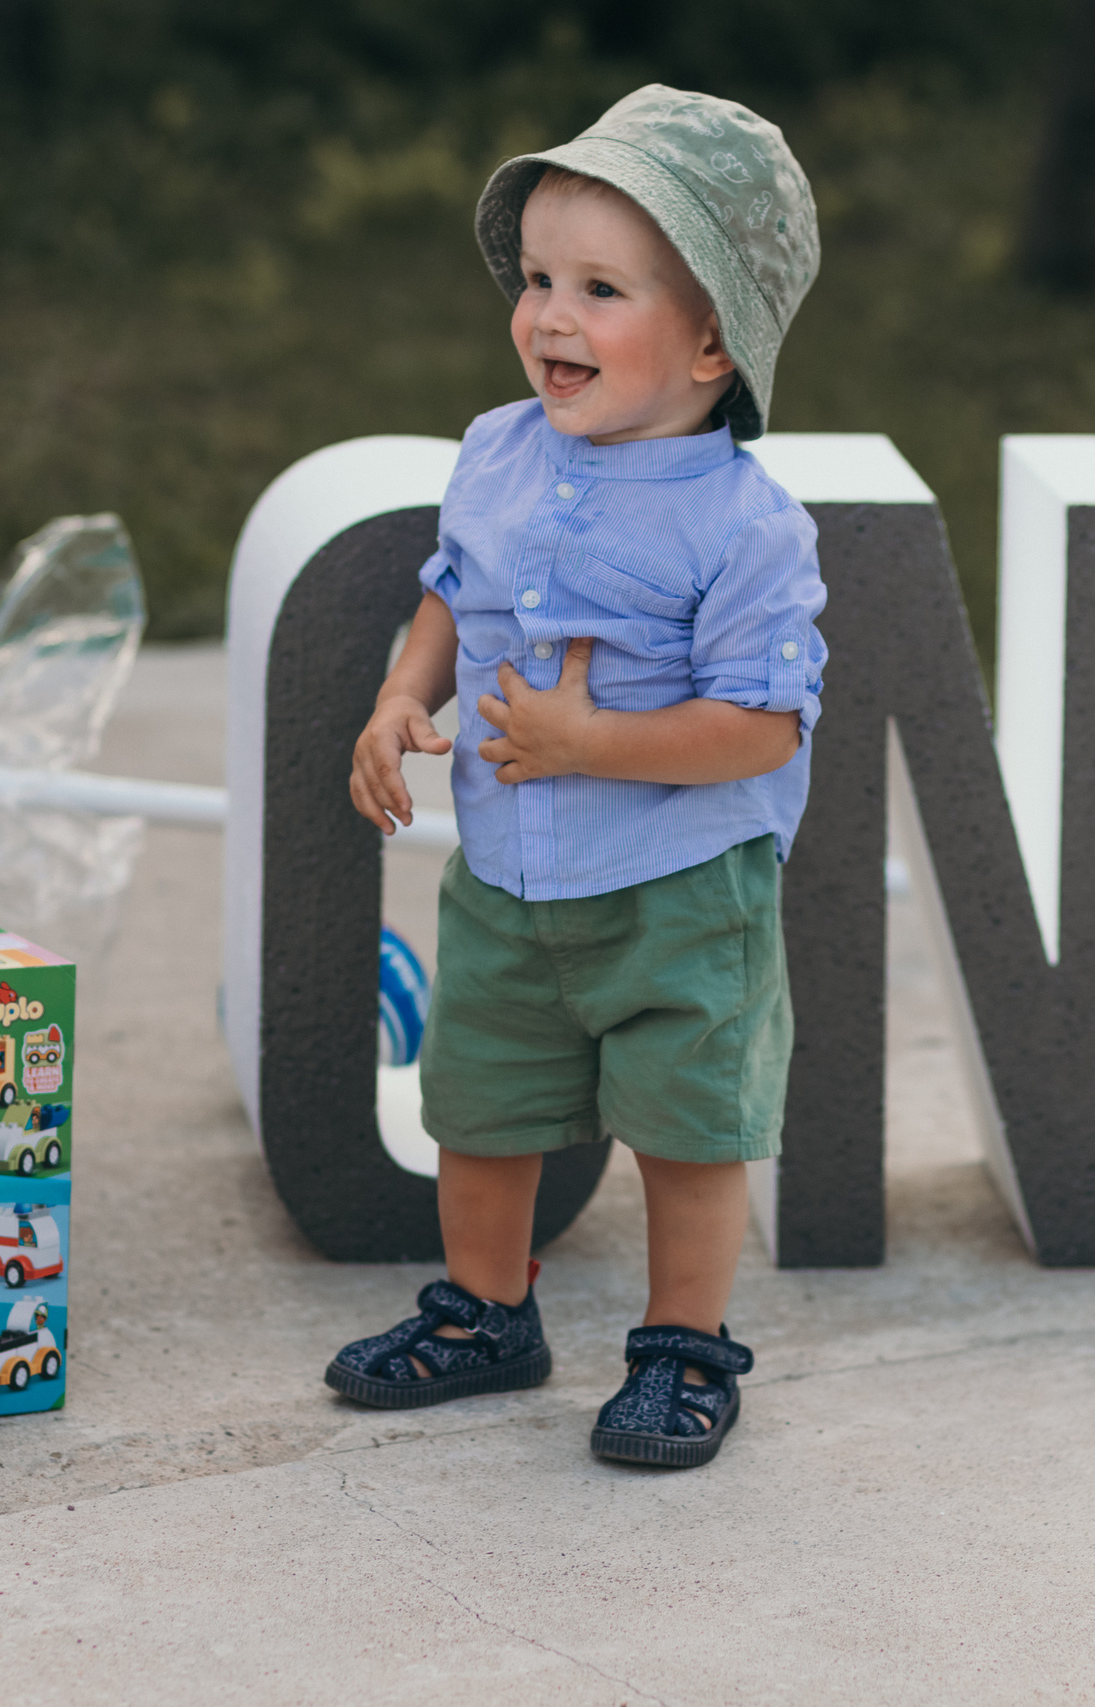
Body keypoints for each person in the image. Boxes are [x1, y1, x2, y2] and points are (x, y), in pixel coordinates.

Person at [325, 85, 825, 1469]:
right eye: (540, 279)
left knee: (687, 1125)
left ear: (714, 342)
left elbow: (764, 728)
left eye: (601, 289)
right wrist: (396, 696)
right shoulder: (499, 449)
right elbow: (451, 591)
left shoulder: (745, 526)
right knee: (480, 1105)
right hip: (507, 872)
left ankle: (683, 1347)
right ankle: (489, 1310)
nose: (549, 315)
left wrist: (590, 743)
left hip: (678, 889)